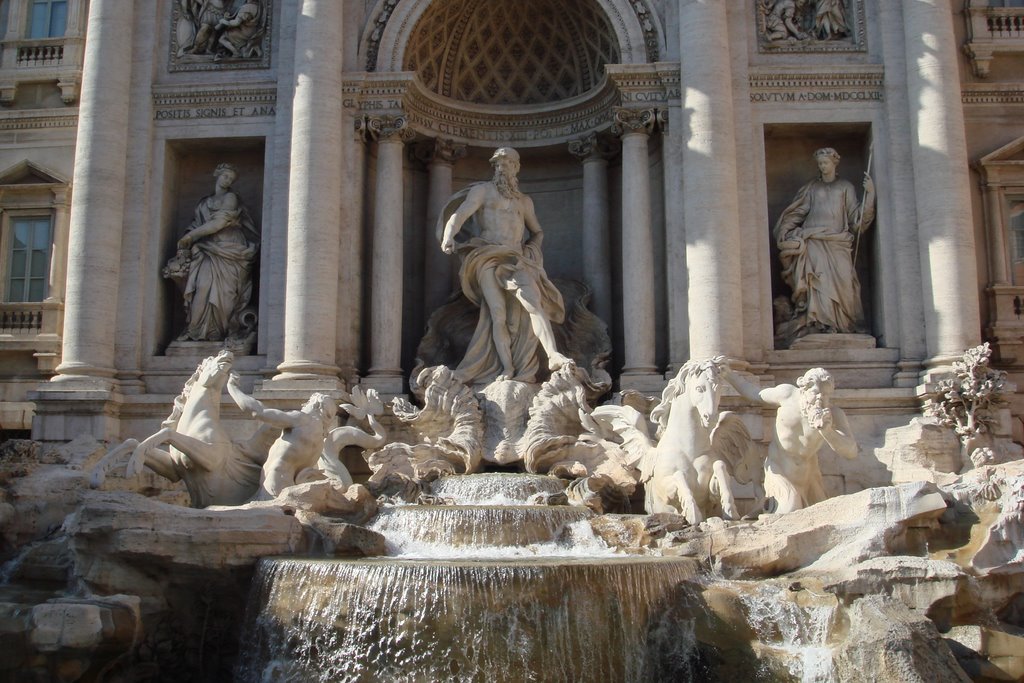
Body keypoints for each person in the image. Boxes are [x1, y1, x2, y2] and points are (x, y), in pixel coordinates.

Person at [439, 147, 571, 384]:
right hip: (487, 256)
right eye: (498, 164)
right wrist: (449, 235)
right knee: (497, 313)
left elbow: (537, 231)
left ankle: (553, 355)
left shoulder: (524, 202)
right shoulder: (483, 191)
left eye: (507, 163)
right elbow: (459, 215)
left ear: (516, 167)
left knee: (533, 304)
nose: (502, 168)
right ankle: (507, 369)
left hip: (516, 259)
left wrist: (531, 251)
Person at [721, 365, 858, 514]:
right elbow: (755, 394)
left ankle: (763, 508)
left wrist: (827, 431)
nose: (820, 399)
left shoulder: (834, 415)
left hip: (809, 477)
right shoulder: (787, 395)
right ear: (804, 389)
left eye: (826, 395)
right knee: (790, 510)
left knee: (821, 516)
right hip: (780, 472)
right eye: (816, 393)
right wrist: (729, 375)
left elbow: (851, 451)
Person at [774, 147, 874, 346]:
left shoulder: (845, 187)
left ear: (834, 163)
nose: (822, 166)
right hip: (814, 241)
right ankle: (818, 323)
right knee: (817, 282)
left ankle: (843, 324)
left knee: (845, 281)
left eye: (825, 163)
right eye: (820, 163)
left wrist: (870, 195)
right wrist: (785, 230)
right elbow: (796, 213)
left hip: (838, 243)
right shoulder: (811, 188)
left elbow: (857, 220)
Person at [168, 163, 260, 344]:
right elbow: (196, 224)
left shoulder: (231, 198)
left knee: (225, 294)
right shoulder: (204, 202)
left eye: (231, 179)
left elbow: (218, 224)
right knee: (201, 288)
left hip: (230, 250)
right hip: (207, 250)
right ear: (217, 175)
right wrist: (190, 237)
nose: (228, 181)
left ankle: (218, 333)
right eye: (226, 176)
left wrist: (191, 236)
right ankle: (196, 330)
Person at [226, 381, 339, 501]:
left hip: (275, 482)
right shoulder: (319, 441)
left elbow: (258, 412)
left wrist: (232, 388)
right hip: (288, 485)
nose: (303, 405)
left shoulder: (302, 419)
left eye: (307, 402)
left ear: (316, 405)